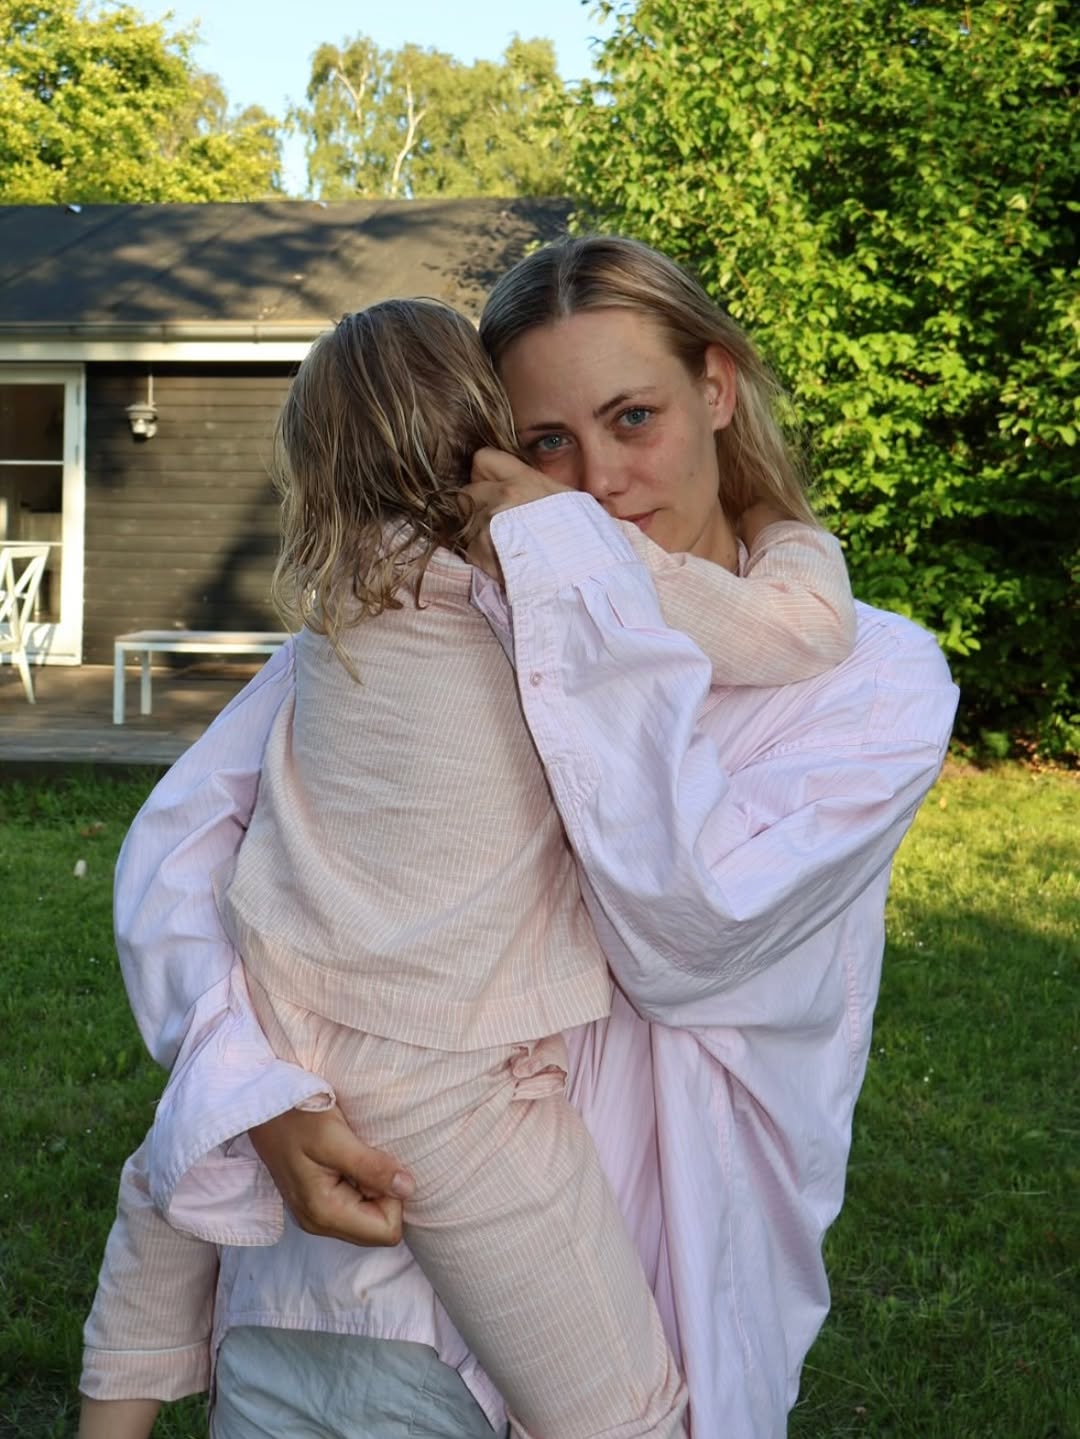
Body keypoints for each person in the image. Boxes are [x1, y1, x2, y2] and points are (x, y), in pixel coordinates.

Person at [80, 236, 958, 1439]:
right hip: (352, 1314)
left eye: (634, 416)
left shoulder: (876, 680)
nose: (595, 479)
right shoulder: (420, 606)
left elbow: (686, 935)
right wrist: (255, 1092)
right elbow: (180, 851)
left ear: (715, 385)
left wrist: (580, 569)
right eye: (546, 441)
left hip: (639, 1290)